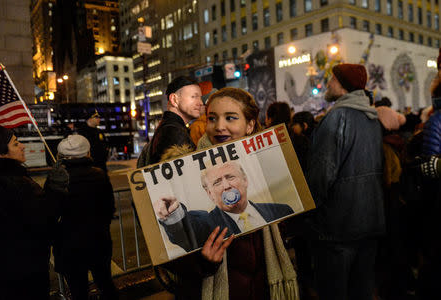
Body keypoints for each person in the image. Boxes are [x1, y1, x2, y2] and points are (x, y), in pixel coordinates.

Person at [163, 87, 299, 300]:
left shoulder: (276, 192)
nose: (219, 127)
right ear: (208, 191)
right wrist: (203, 263)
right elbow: (177, 252)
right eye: (212, 118)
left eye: (230, 118)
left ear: (250, 124)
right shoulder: (184, 173)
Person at [306, 64, 385, 300]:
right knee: (361, 291)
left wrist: (309, 213)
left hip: (338, 227)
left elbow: (321, 175)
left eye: (332, 79)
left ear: (343, 86)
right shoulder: (371, 117)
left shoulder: (337, 117)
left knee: (334, 292)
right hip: (369, 221)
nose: (328, 83)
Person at [0, 126, 68, 300]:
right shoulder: (14, 183)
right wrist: (55, 189)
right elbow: (43, 219)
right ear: (0, 153)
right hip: (26, 270)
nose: (23, 146)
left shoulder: (4, 179)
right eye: (16, 144)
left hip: (5, 270)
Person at [154, 160, 294, 252]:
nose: (226, 186)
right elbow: (184, 232)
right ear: (210, 193)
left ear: (245, 180)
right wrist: (174, 213)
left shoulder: (281, 211)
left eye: (230, 177)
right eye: (217, 182)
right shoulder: (206, 224)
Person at [48, 134, 117, 300]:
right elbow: (109, 208)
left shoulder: (57, 178)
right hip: (98, 240)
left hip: (69, 245)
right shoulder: (99, 175)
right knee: (105, 283)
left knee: (78, 290)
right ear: (87, 153)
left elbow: (51, 213)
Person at [137, 76, 203, 167]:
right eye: (194, 97)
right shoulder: (174, 131)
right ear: (174, 99)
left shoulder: (168, 127)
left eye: (200, 97)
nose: (200, 103)